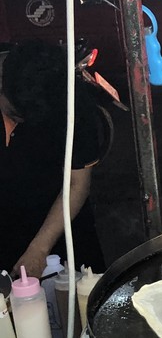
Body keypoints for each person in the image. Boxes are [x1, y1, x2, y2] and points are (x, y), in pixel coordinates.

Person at [0, 41, 106, 278]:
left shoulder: (74, 108)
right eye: (13, 114)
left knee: (79, 297)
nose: (19, 123)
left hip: (59, 221)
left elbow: (77, 183)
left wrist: (39, 247)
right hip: (5, 226)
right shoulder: (12, 78)